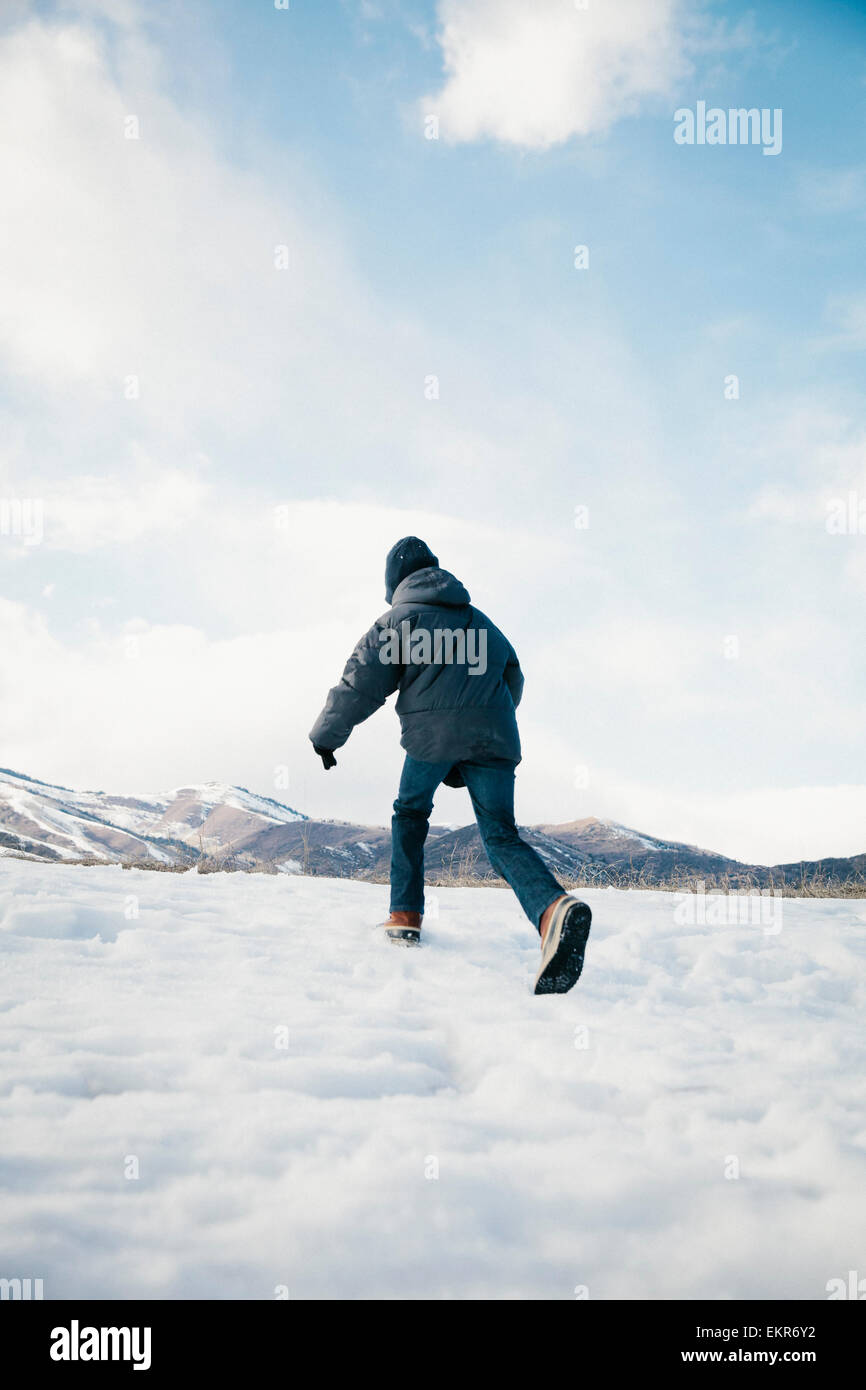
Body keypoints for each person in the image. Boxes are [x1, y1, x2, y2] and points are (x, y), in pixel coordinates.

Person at [309, 536, 591, 994]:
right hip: (495, 736)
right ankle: (552, 910)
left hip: (431, 738)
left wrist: (326, 738)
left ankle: (405, 916)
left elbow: (360, 685)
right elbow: (512, 677)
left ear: (394, 582)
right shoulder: (481, 623)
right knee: (501, 834)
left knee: (411, 812)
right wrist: (485, 724)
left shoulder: (398, 622)